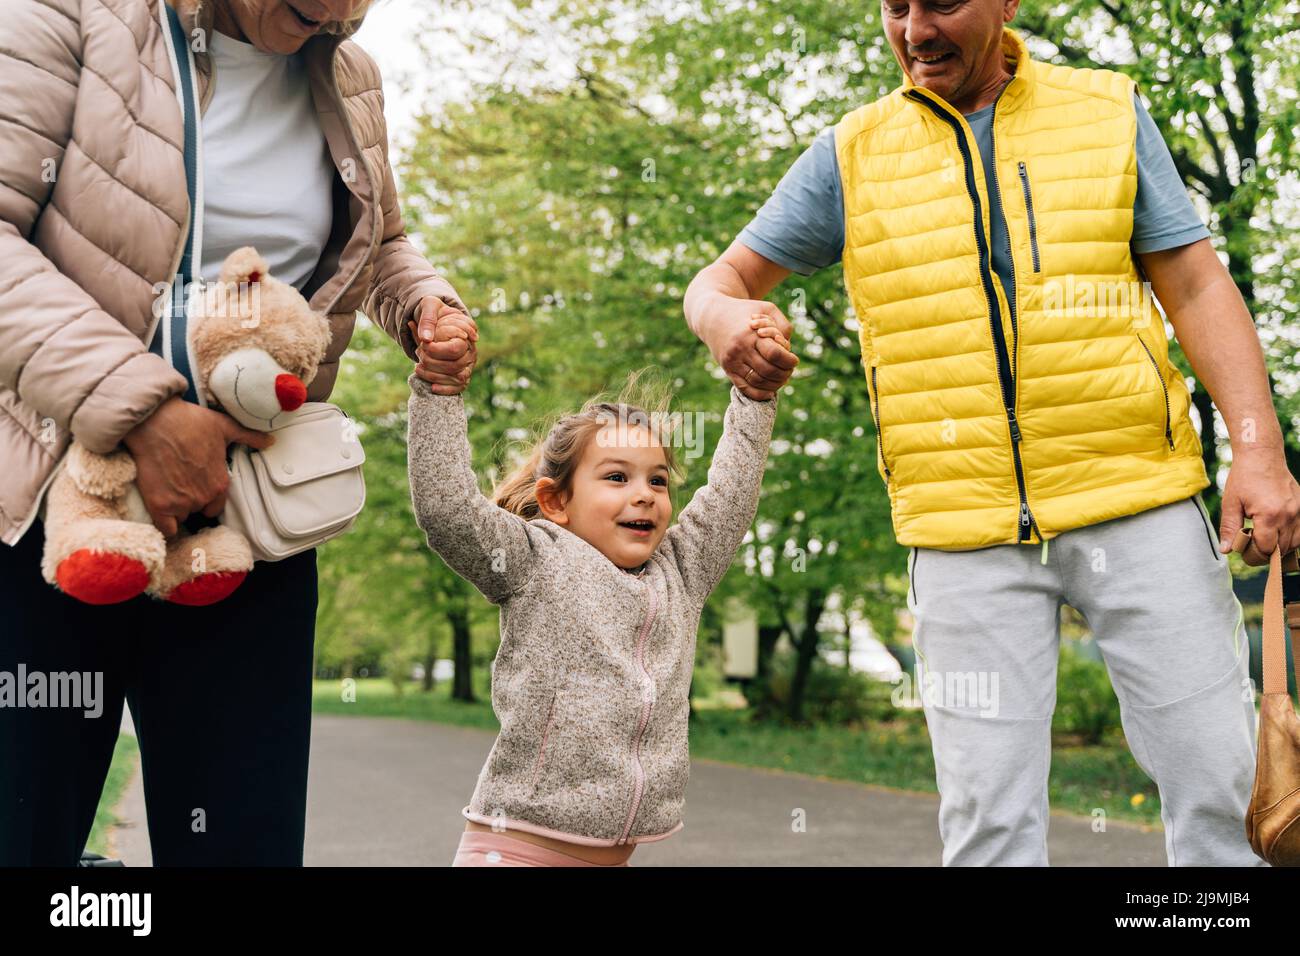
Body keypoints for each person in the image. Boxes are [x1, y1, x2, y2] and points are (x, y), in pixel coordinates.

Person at [684, 0, 1300, 865]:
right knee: (989, 827)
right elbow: (722, 277)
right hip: (959, 528)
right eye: (895, 7)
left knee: (1221, 793)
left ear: (1007, 3)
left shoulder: (1106, 112)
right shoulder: (850, 154)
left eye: (940, 3)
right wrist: (720, 319)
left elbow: (1195, 286)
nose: (915, 30)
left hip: (1139, 500)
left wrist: (1259, 451)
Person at [0, 0, 474, 865]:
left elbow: (384, 241)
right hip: (47, 514)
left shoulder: (349, 76)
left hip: (247, 524)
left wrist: (424, 306)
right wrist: (139, 411)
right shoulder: (69, 16)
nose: (338, 11)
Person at [405, 312, 796, 866]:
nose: (644, 495)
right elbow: (446, 508)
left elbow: (730, 493)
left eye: (657, 479)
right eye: (617, 477)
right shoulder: (532, 559)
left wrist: (755, 399)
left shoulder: (680, 571)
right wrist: (440, 390)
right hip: (516, 852)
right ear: (556, 501)